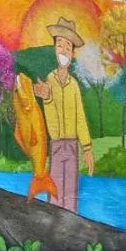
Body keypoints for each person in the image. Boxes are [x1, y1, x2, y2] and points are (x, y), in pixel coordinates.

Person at [33, 18, 94, 212]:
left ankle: (71, 223)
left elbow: (80, 118)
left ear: (73, 53)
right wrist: (47, 97)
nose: (64, 50)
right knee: (56, 188)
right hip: (57, 145)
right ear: (54, 49)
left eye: (68, 46)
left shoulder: (74, 85)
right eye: (60, 45)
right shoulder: (49, 80)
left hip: (73, 146)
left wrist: (87, 148)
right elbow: (49, 114)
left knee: (71, 192)